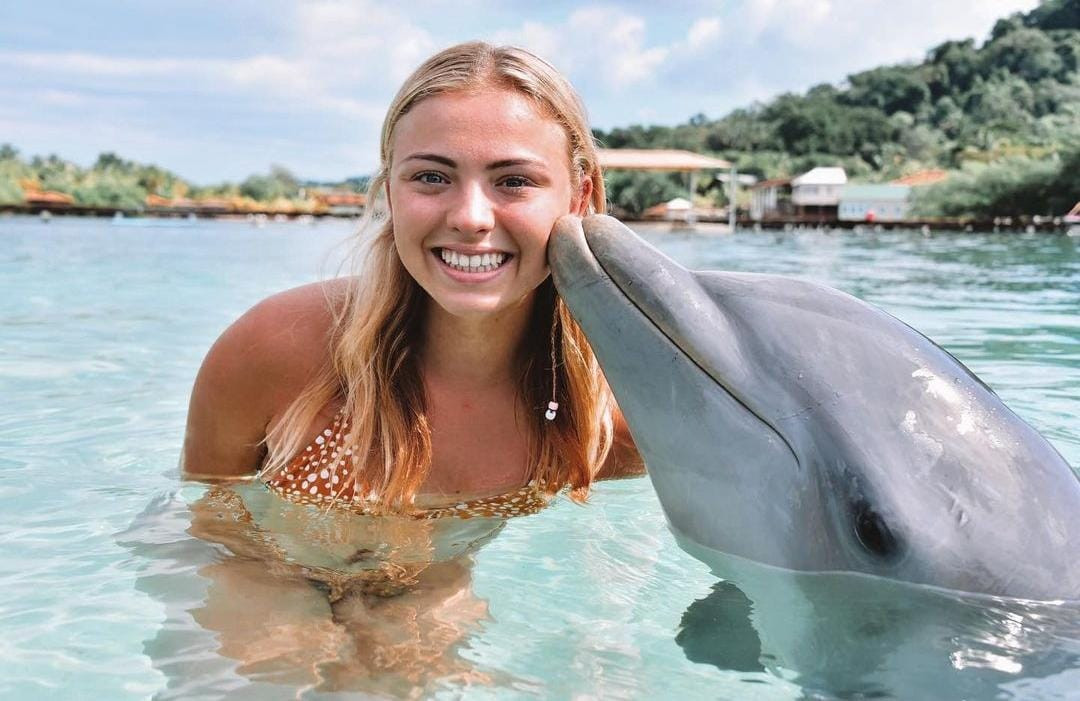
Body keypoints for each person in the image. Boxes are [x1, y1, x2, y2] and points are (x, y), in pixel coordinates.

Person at [181, 41, 642, 520]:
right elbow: (200, 533)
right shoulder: (274, 350)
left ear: (578, 197)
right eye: (431, 177)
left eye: (514, 181)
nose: (470, 217)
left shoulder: (613, 416)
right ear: (389, 192)